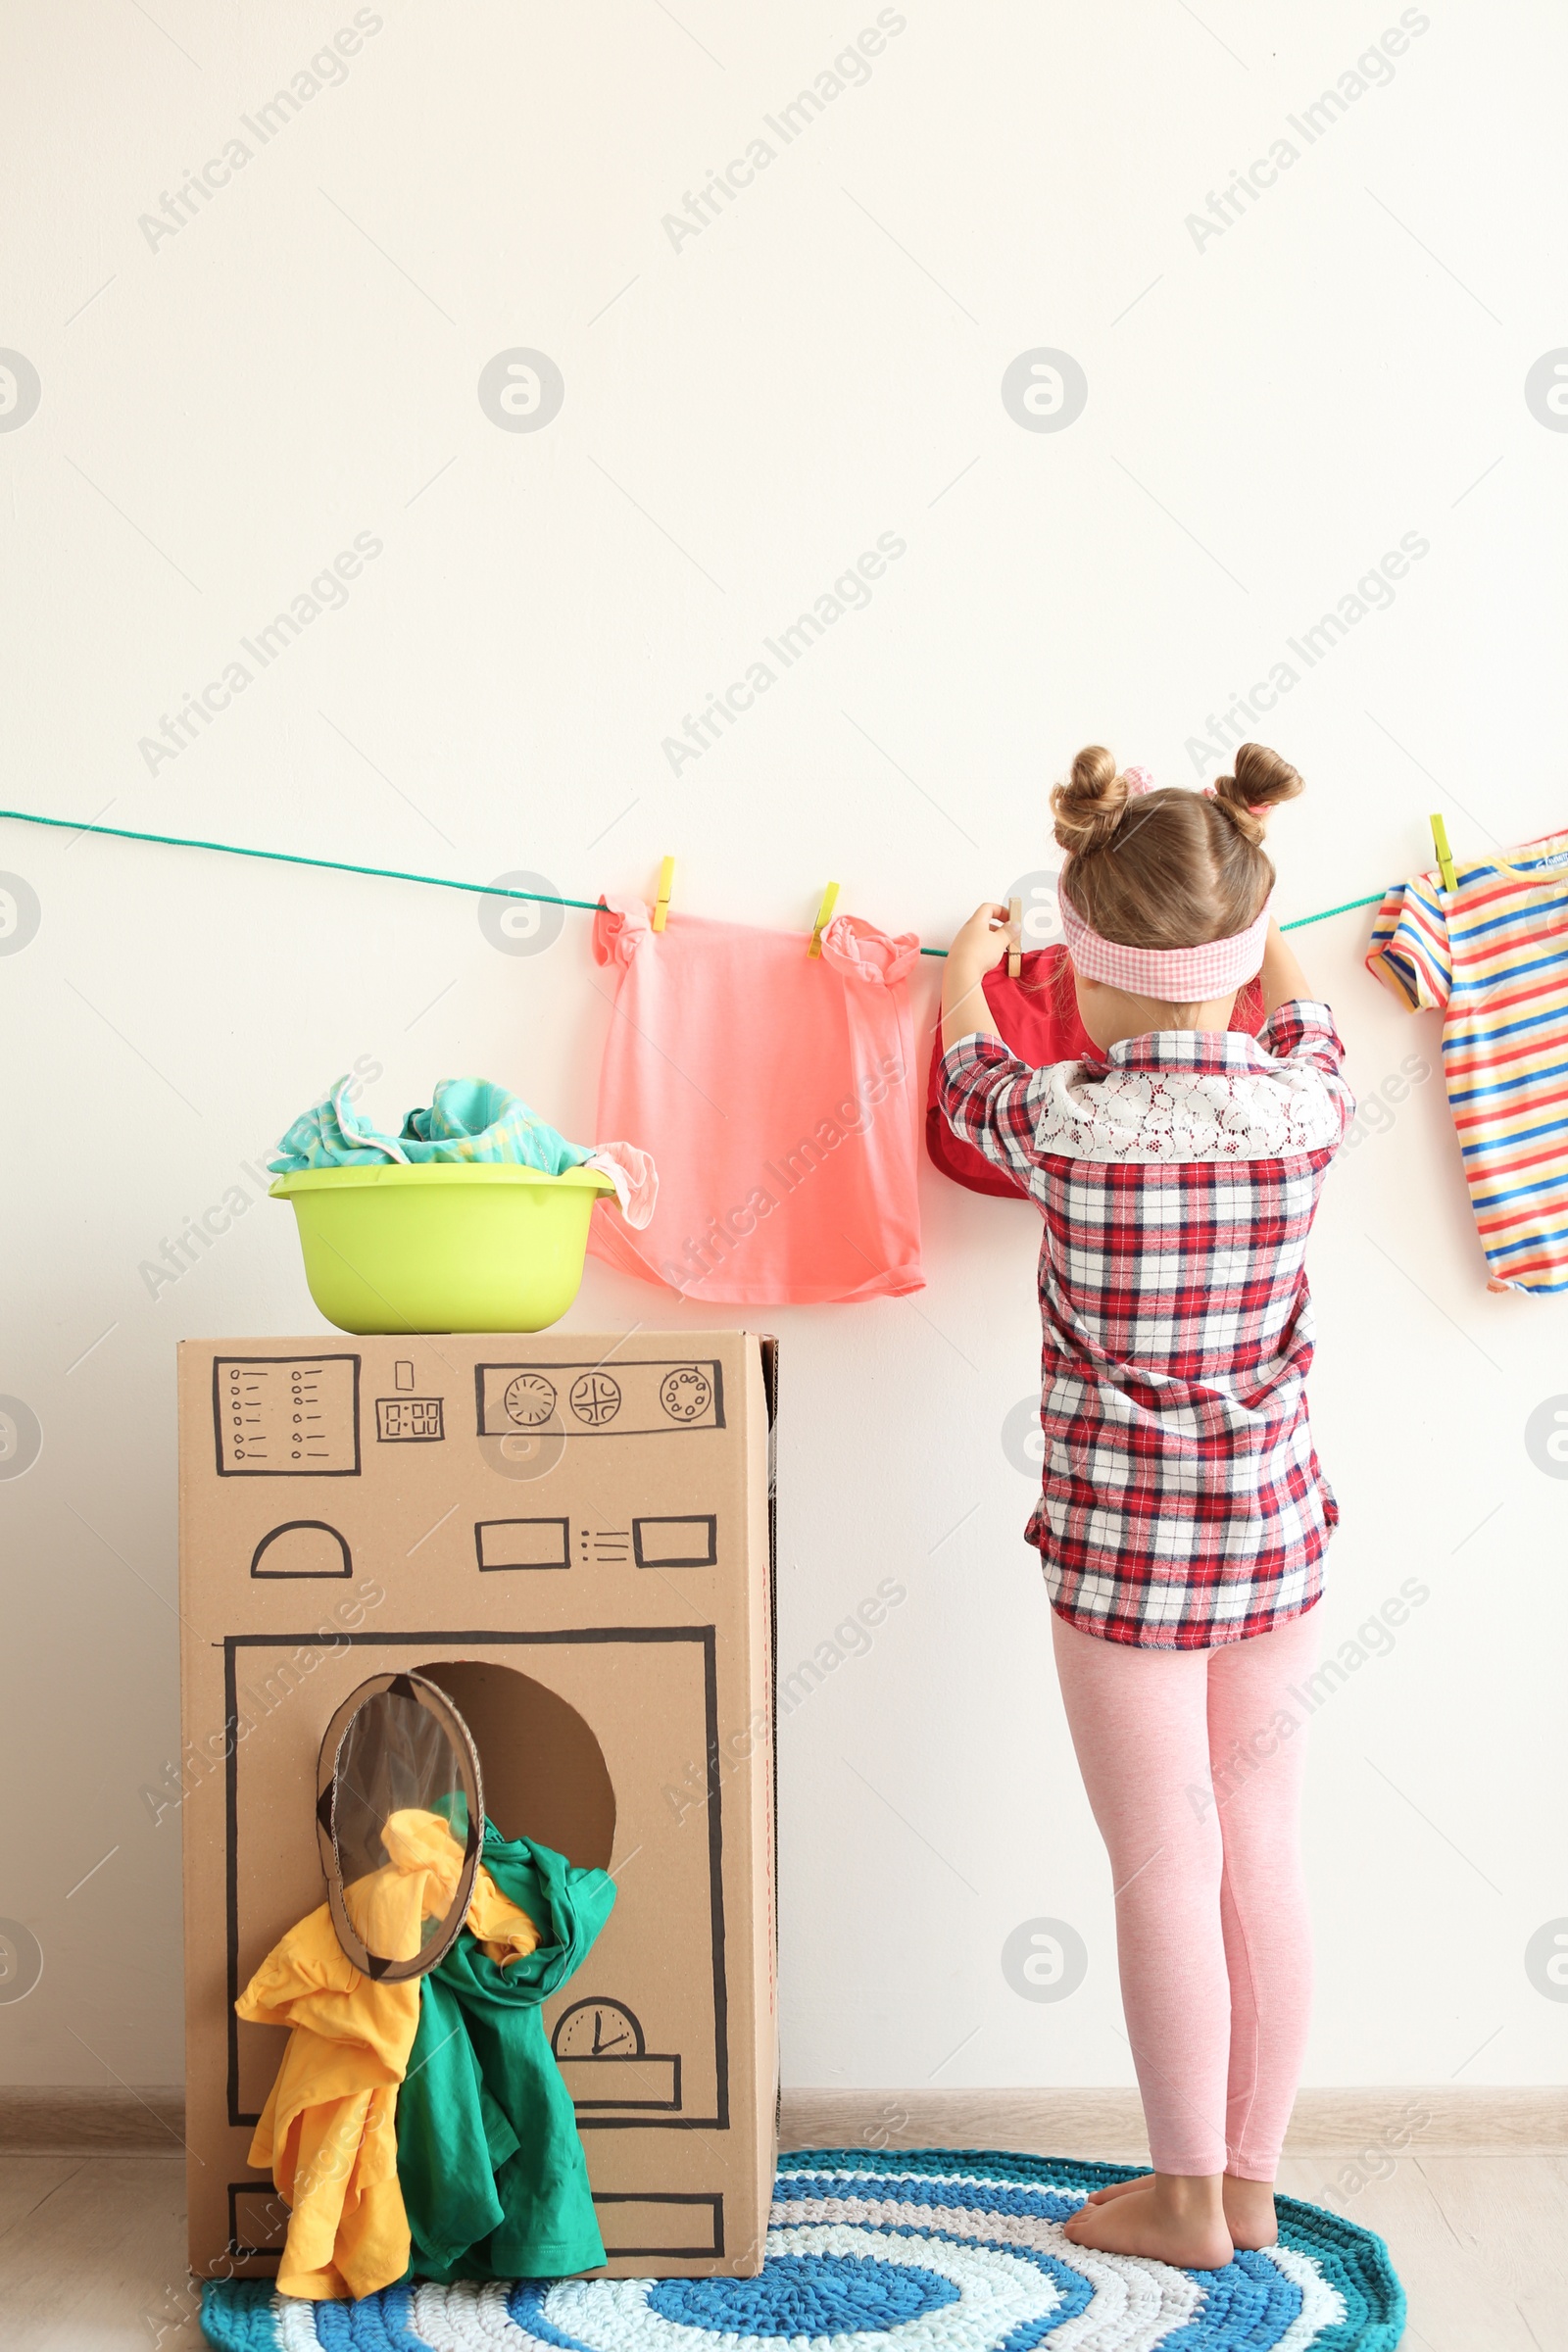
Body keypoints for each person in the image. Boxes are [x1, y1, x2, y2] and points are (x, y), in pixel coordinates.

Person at [938, 745, 1353, 2271]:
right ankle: (1247, 2181)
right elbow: (1301, 1008)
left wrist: (962, 976)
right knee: (1264, 1851)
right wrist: (1259, 888)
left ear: (1086, 977)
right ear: (1238, 965)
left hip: (1123, 1557)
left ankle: (1183, 2196)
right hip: (1276, 1540)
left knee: (1162, 1866)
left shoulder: (1061, 1119)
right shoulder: (1310, 1105)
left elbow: (965, 1068)